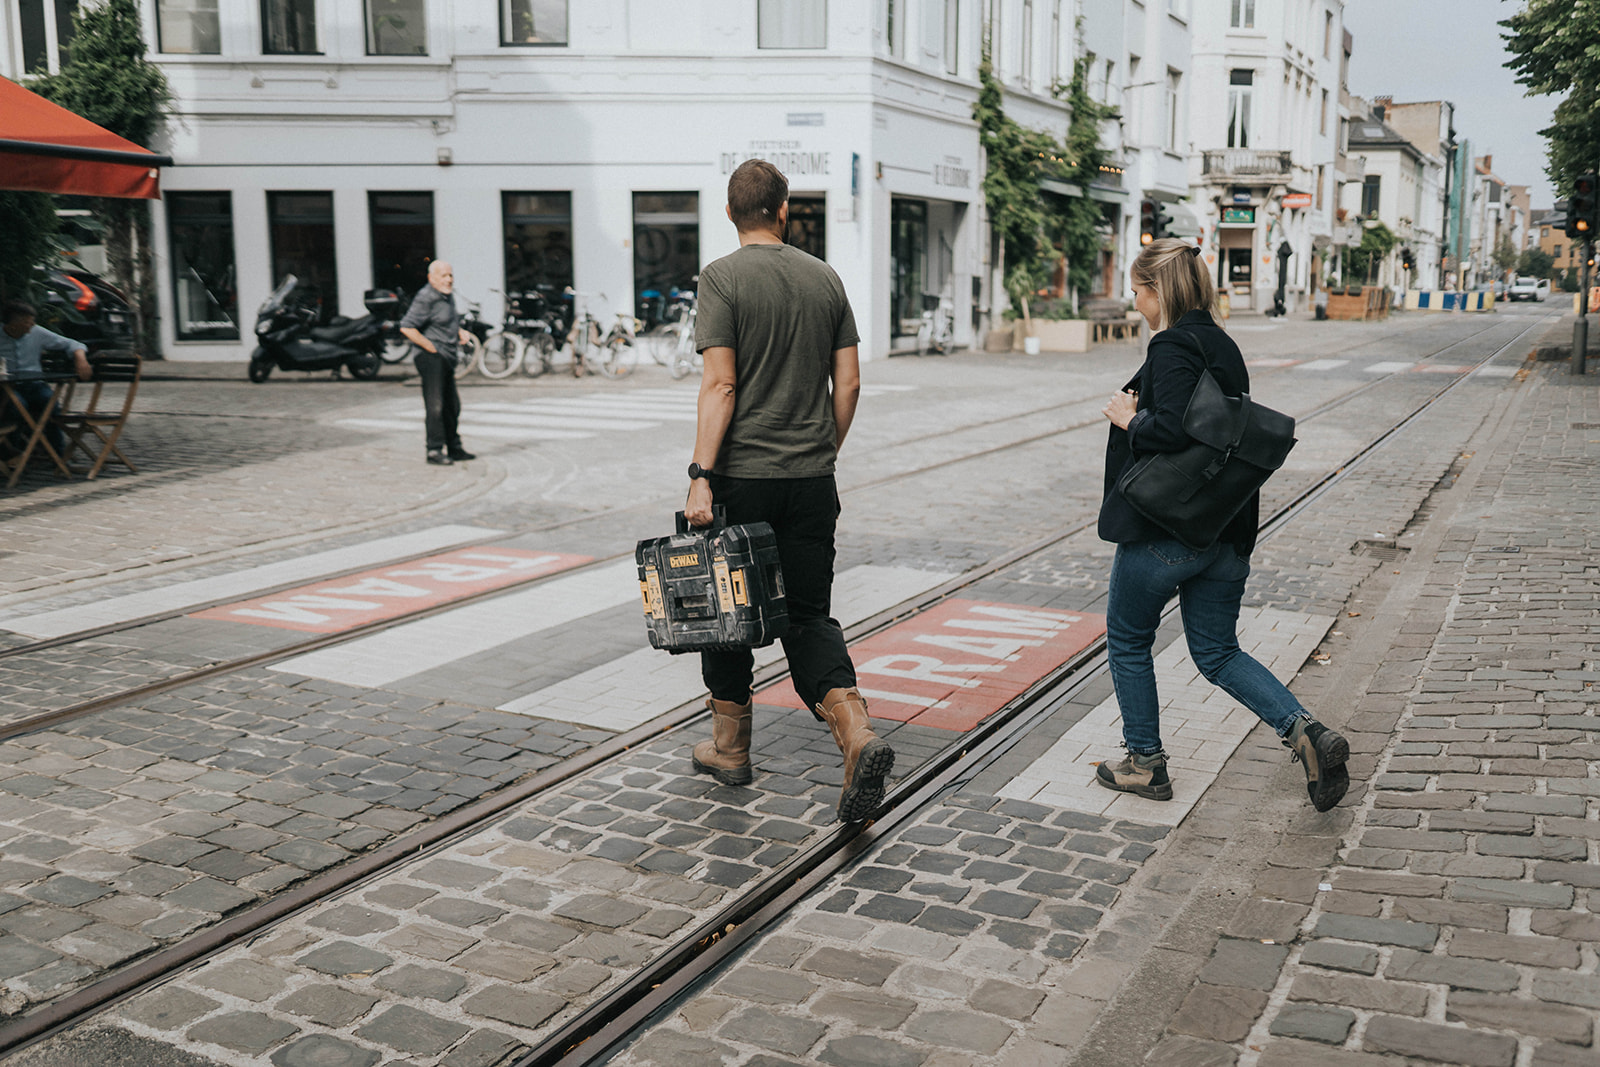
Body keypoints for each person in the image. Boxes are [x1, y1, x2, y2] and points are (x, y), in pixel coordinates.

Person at [1095, 239, 1350, 812]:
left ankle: (1145, 763)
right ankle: (1306, 732)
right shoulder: (1223, 345)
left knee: (1128, 639)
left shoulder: (1171, 345)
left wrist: (1130, 420)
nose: (1135, 303)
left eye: (1137, 292)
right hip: (1226, 529)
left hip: (1168, 528)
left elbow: (1175, 430)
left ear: (1158, 291)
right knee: (1216, 652)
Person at [682, 159, 893, 824]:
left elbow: (721, 384)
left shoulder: (720, 278)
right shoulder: (825, 277)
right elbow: (849, 382)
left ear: (729, 213)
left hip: (741, 480)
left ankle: (730, 749)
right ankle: (855, 732)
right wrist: (822, 449)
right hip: (810, 481)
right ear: (783, 211)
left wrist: (700, 475)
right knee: (808, 616)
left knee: (727, 614)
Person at [399, 261, 475, 466]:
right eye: (443, 276)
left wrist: (459, 332)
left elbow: (445, 321)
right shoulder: (426, 297)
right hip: (431, 358)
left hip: (447, 356)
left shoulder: (447, 296)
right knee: (436, 405)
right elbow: (407, 327)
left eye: (450, 275)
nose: (448, 279)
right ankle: (434, 450)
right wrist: (430, 346)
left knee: (452, 406)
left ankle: (454, 448)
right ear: (431, 278)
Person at [0, 301, 93, 458]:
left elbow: (72, 344)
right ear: (14, 324)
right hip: (7, 387)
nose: (31, 326)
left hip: (35, 384)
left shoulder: (37, 332)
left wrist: (80, 358)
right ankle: (11, 453)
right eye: (27, 322)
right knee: (16, 406)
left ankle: (57, 453)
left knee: (50, 404)